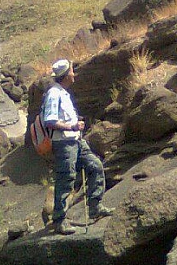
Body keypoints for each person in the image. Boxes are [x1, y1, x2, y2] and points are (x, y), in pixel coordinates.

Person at [41, 58, 112, 235]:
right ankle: (59, 221)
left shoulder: (63, 93)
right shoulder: (54, 94)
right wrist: (71, 126)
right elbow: (49, 121)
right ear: (66, 75)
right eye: (72, 71)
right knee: (66, 179)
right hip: (64, 143)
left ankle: (95, 206)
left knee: (95, 166)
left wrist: (75, 124)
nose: (74, 74)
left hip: (76, 141)